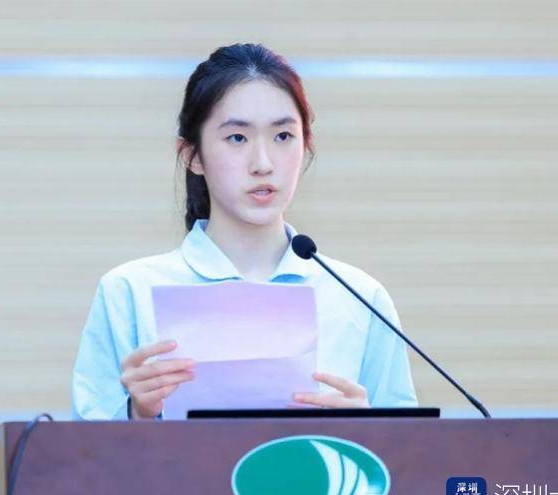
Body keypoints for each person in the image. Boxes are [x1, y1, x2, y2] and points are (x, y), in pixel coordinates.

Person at [72, 43, 417, 421]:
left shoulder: (360, 298)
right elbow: (80, 455)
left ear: (305, 145)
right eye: (237, 138)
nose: (263, 163)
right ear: (192, 156)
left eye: (283, 136)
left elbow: (412, 452)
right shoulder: (128, 291)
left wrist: (370, 433)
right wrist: (137, 414)